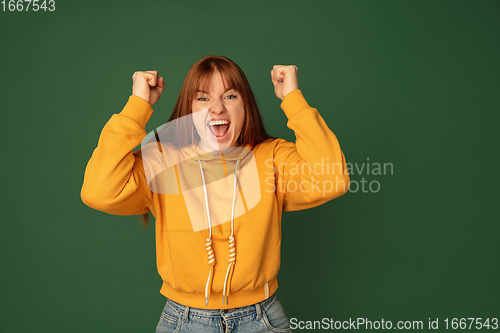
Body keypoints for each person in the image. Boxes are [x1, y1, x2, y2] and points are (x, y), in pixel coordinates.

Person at [81, 55, 350, 333]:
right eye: (203, 98)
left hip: (262, 319)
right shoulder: (161, 160)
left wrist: (293, 98)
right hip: (184, 320)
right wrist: (137, 106)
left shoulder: (272, 157)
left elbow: (332, 179)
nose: (217, 108)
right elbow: (99, 191)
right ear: (188, 109)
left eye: (230, 96)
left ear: (246, 105)